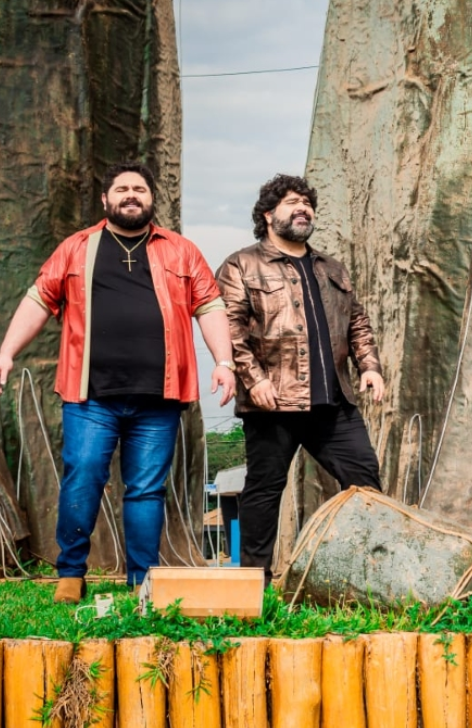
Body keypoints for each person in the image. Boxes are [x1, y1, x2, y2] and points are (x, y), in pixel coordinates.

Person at [0, 162, 235, 602]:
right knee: (84, 476)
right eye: (122, 189)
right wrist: (5, 352)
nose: (132, 195)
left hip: (159, 398)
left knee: (146, 490)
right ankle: (71, 573)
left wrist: (224, 361)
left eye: (140, 189)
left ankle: (141, 580)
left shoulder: (182, 250)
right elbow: (38, 299)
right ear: (106, 200)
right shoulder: (76, 247)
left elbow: (210, 306)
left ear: (151, 199)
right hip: (91, 397)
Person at [216, 174, 385, 583]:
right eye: (292, 201)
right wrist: (254, 380)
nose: (302, 207)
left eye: (307, 201)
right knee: (263, 491)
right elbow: (231, 328)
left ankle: (368, 577)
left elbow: (357, 321)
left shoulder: (331, 267)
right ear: (268, 214)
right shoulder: (242, 264)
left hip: (334, 402)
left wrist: (370, 366)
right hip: (273, 401)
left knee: (365, 484)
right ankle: (255, 581)